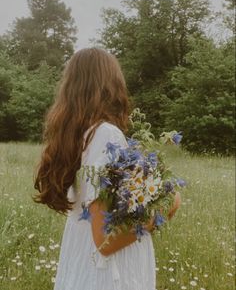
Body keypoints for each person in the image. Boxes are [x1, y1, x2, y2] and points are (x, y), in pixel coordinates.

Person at [34, 47, 181, 290]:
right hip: (104, 277)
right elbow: (105, 241)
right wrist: (165, 210)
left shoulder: (76, 139)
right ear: (111, 86)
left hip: (84, 267)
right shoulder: (105, 135)